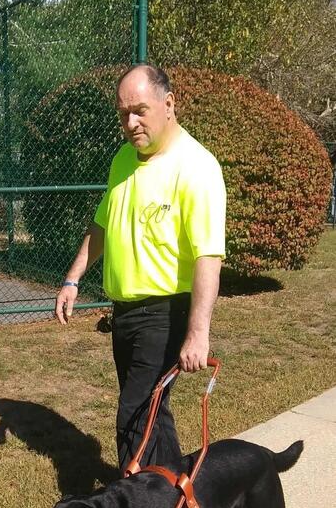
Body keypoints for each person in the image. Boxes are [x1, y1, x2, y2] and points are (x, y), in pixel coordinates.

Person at [54, 64, 226, 475]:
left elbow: (208, 256)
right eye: (122, 113)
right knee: (152, 416)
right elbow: (103, 223)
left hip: (166, 313)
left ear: (168, 104)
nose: (130, 123)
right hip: (125, 314)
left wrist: (198, 333)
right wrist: (72, 278)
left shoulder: (196, 168)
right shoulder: (124, 160)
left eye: (139, 111)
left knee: (132, 418)